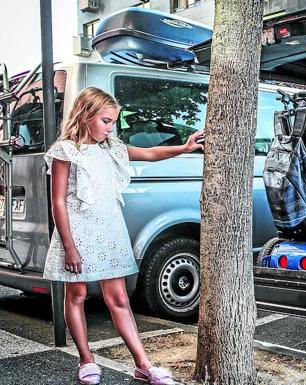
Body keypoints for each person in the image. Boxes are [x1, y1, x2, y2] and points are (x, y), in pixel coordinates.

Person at [43, 86, 204, 385]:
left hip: (108, 231)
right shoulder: (66, 150)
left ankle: (144, 365)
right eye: (105, 120)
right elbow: (59, 202)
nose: (110, 127)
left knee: (118, 297)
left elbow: (150, 153)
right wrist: (69, 247)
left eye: (113, 121)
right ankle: (86, 360)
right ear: (85, 114)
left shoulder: (112, 148)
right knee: (76, 294)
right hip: (76, 233)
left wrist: (183, 147)